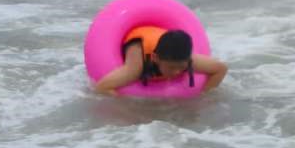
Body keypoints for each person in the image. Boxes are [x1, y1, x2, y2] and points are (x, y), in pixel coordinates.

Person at [94, 28, 228, 95]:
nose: (177, 72)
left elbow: (221, 69)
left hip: (161, 39)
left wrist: (204, 95)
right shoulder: (137, 65)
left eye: (181, 67)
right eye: (171, 67)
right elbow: (101, 87)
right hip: (140, 38)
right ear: (155, 58)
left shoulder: (187, 60)